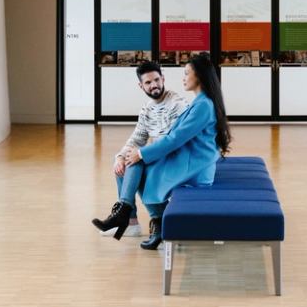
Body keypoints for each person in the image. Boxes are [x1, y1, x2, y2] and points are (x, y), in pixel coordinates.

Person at [123, 52, 231, 251]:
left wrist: (142, 153)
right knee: (137, 166)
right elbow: (174, 137)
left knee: (141, 168)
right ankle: (144, 219)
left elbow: (175, 139)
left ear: (198, 76)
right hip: (193, 158)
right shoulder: (202, 102)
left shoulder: (202, 106)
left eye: (186, 73)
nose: (183, 78)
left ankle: (158, 225)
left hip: (196, 167)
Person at [92, 61, 190, 240]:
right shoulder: (147, 108)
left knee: (136, 162)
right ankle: (131, 222)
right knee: (123, 164)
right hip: (159, 156)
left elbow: (173, 141)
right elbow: (137, 137)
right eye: (148, 82)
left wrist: (141, 154)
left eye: (156, 80)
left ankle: (146, 217)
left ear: (163, 79)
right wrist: (120, 157)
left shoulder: (177, 104)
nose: (154, 85)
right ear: (141, 85)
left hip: (177, 158)